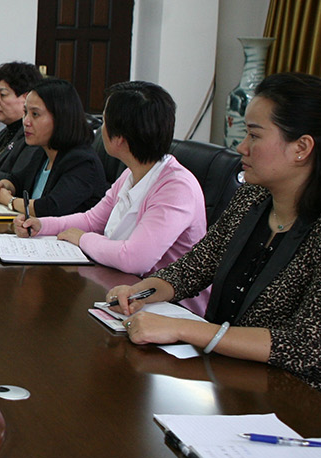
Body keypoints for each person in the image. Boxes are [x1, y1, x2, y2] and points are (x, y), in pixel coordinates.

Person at [107, 73, 321, 416]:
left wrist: (184, 328)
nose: (241, 147)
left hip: (309, 409)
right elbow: (194, 267)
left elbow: (308, 344)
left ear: (301, 148)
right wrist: (143, 292)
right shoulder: (252, 197)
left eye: (254, 135)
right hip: (229, 381)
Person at [14, 82, 209, 311]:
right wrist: (41, 225)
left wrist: (83, 239)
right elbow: (92, 220)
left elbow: (134, 258)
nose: (101, 129)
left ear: (120, 139)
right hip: (125, 292)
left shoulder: (176, 187)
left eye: (105, 121)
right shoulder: (132, 173)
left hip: (171, 309)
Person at [0, 78, 107, 217]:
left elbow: (50, 207)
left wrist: (10, 201)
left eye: (35, 114)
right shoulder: (42, 152)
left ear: (61, 117)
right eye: (25, 112)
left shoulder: (83, 163)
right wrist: (2, 186)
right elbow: (18, 181)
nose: (26, 121)